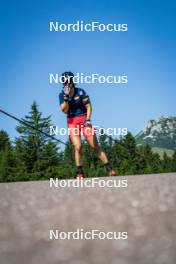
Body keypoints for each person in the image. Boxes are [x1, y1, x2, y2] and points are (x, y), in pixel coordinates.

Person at [59, 71, 116, 179]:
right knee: (78, 146)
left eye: (68, 81)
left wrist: (88, 119)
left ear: (72, 81)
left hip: (84, 119)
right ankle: (80, 172)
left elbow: (89, 106)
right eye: (64, 81)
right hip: (72, 122)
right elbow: (64, 110)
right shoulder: (62, 95)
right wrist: (66, 98)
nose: (66, 83)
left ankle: (109, 169)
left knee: (94, 146)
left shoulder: (80, 92)